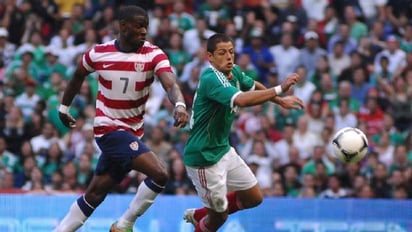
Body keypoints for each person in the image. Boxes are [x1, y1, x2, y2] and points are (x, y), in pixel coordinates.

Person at [54, 5, 189, 232]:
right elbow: (78, 75)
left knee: (95, 194)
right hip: (108, 130)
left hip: (131, 132)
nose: (144, 31)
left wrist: (180, 103)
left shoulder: (153, 54)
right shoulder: (98, 53)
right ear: (123, 26)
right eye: (138, 26)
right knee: (160, 174)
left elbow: (169, 82)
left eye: (145, 26)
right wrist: (64, 107)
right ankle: (125, 224)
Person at [182, 33, 304, 232]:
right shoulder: (211, 78)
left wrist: (280, 101)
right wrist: (280, 88)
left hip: (223, 149)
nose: (229, 57)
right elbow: (242, 100)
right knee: (219, 218)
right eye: (222, 53)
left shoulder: (235, 72)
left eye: (231, 52)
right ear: (210, 57)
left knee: (254, 197)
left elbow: (253, 86)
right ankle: (205, 217)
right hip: (204, 158)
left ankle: (200, 214)